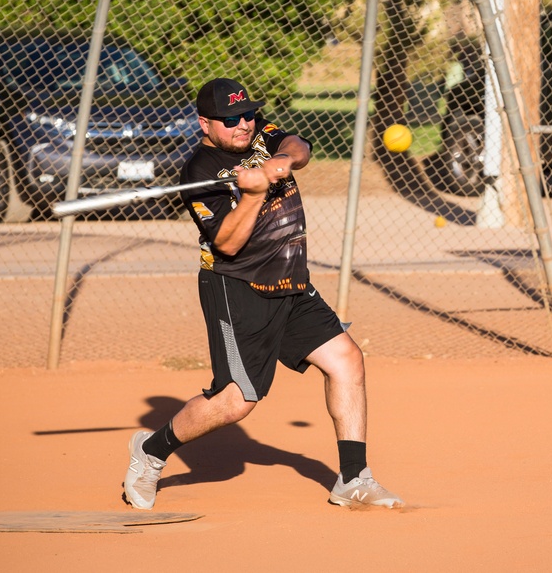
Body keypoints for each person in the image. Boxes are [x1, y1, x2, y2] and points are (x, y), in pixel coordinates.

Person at [123, 77, 403, 510]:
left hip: (291, 281)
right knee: (236, 402)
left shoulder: (260, 135)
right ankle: (150, 452)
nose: (244, 124)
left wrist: (284, 159)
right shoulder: (200, 172)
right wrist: (252, 193)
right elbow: (228, 244)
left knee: (346, 359)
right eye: (231, 119)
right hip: (238, 288)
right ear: (205, 123)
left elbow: (298, 144)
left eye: (249, 114)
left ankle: (353, 478)